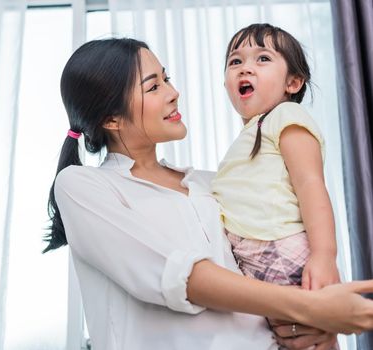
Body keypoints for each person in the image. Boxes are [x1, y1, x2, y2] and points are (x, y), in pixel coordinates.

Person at [43, 37, 373, 350]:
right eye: (154, 86)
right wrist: (311, 307)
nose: (174, 93)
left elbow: (270, 260)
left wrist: (312, 330)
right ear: (111, 119)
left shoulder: (211, 184)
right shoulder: (82, 187)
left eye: (166, 79)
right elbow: (181, 277)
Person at [211, 23, 339, 347]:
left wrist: (324, 255)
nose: (246, 68)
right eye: (235, 61)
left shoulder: (285, 116)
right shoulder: (246, 139)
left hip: (281, 251)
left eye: (262, 58)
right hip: (255, 264)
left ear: (293, 82)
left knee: (313, 339)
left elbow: (311, 184)